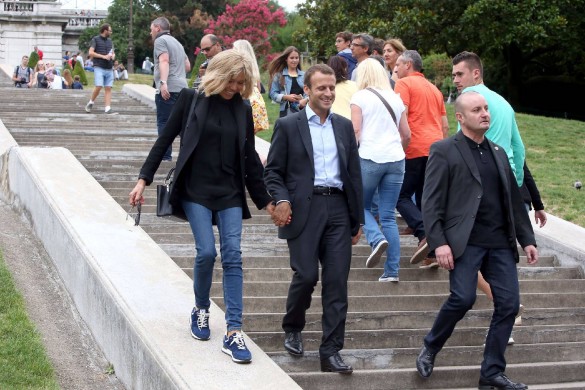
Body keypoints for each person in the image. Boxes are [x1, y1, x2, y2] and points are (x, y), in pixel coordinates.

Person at [129, 50, 274, 364]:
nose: (235, 88)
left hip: (230, 192)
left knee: (233, 254)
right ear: (218, 75)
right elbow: (165, 139)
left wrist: (267, 202)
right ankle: (201, 308)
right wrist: (143, 179)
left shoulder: (243, 108)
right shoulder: (192, 100)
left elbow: (250, 159)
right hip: (195, 190)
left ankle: (234, 332)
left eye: (240, 83)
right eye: (232, 81)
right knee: (207, 252)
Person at [415, 91, 538, 390]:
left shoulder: (497, 151)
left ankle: (491, 372)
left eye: (485, 109)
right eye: (476, 110)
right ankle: (431, 345)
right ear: (460, 117)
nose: (484, 113)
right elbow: (430, 203)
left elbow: (511, 199)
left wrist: (527, 239)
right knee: (463, 298)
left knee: (509, 304)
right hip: (464, 241)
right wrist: (439, 242)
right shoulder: (444, 150)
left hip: (499, 242)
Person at [264, 64, 364, 374]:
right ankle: (293, 326)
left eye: (332, 87)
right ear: (307, 90)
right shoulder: (290, 125)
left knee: (336, 283)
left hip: (337, 210)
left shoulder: (344, 127)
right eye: (321, 88)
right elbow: (273, 172)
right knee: (306, 276)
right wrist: (280, 199)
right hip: (303, 210)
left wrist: (356, 219)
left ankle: (331, 351)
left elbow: (354, 175)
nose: (328, 93)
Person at [350, 58, 411, 279]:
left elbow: (356, 132)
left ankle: (376, 239)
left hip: (369, 158)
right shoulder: (396, 98)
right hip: (396, 160)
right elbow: (406, 134)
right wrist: (397, 151)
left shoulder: (359, 97)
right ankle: (392, 271)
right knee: (388, 216)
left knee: (360, 206)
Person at [394, 50, 449, 268]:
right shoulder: (434, 89)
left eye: (398, 64)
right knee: (425, 198)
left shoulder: (404, 84)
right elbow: (444, 125)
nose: (395, 69)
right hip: (436, 149)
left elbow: (402, 117)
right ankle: (431, 253)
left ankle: (425, 233)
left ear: (408, 65)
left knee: (400, 196)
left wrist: (399, 147)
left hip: (413, 147)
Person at [452, 51, 525, 187]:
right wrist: (518, 182)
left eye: (460, 74)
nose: (455, 80)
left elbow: (462, 142)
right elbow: (518, 147)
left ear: (476, 73)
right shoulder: (504, 103)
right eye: (454, 75)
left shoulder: (469, 98)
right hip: (508, 177)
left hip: (482, 179)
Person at [150, 16, 191, 161]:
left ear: (157, 28)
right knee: (181, 125)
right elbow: (187, 66)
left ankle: (165, 157)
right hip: (182, 88)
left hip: (169, 88)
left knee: (164, 123)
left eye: (151, 29)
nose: (151, 33)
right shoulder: (177, 43)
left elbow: (164, 60)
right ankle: (188, 154)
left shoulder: (160, 41)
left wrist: (163, 82)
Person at [268, 46, 308, 118]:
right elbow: (273, 94)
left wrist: (304, 100)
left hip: (303, 112)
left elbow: (309, 92)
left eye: (296, 58)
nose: (294, 60)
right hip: (286, 113)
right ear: (286, 59)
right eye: (292, 58)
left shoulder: (304, 75)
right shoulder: (278, 76)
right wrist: (285, 97)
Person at [85, 24, 115, 114]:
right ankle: (91, 102)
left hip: (109, 67)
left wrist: (112, 56)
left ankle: (107, 108)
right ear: (105, 31)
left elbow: (113, 53)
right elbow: (90, 52)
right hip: (99, 66)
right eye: (110, 31)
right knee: (99, 86)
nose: (111, 32)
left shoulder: (110, 41)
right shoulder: (95, 39)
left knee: (108, 88)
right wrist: (103, 56)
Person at [327, 56, 357, 120]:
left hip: (332, 121)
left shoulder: (325, 88)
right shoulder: (354, 85)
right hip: (351, 121)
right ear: (345, 68)